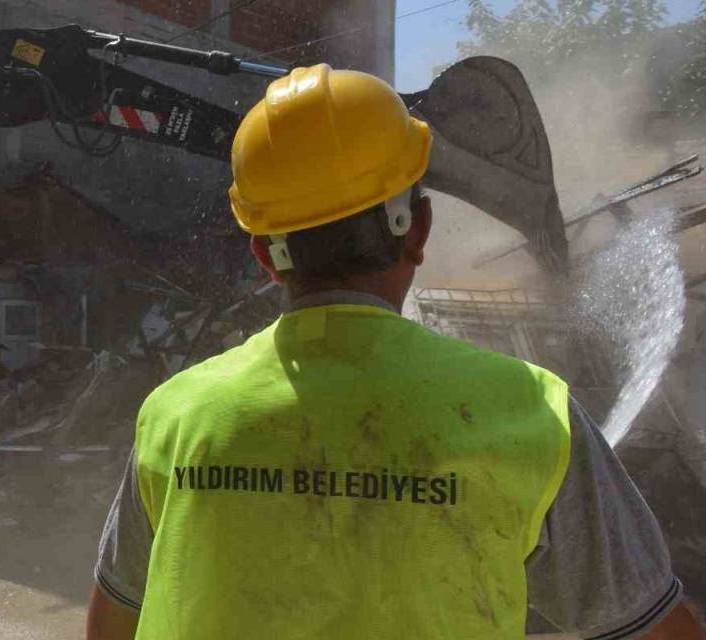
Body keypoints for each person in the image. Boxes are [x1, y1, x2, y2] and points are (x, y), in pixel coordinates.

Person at [86, 64, 704, 640]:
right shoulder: (534, 414)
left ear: (263, 256)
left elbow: (111, 624)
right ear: (421, 230)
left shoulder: (171, 417)